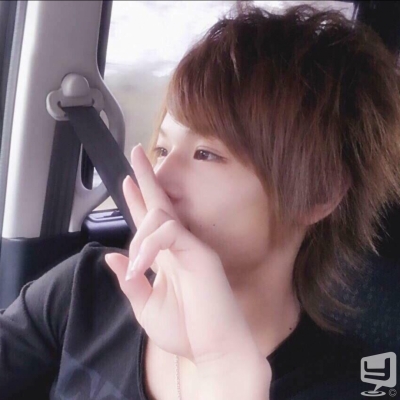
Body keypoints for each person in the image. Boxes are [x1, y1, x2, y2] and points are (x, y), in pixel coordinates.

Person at [1, 3, 400, 400]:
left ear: (317, 194)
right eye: (162, 149)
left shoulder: (357, 385)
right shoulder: (89, 286)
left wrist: (226, 376)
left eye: (206, 154)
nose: (159, 180)